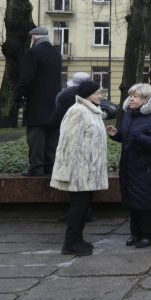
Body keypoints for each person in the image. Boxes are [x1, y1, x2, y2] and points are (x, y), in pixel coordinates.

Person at [107, 83, 151, 249]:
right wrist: (117, 134)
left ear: (145, 100)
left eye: (135, 96)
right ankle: (135, 233)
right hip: (130, 165)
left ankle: (148, 236)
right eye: (131, 95)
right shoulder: (129, 115)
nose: (131, 99)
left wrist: (138, 137)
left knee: (147, 203)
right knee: (132, 201)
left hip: (148, 168)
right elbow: (128, 137)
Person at [50, 81, 109, 256]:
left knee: (84, 208)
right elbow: (68, 142)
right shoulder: (77, 111)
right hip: (78, 170)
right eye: (97, 93)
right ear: (87, 95)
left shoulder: (92, 111)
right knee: (78, 207)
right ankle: (70, 243)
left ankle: (78, 239)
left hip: (90, 170)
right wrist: (66, 171)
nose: (101, 96)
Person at [15, 26, 63, 176]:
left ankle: (36, 168)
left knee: (36, 137)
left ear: (33, 38)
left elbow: (26, 79)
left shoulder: (33, 52)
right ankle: (50, 167)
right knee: (52, 138)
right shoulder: (56, 53)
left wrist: (18, 96)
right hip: (54, 103)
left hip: (36, 103)